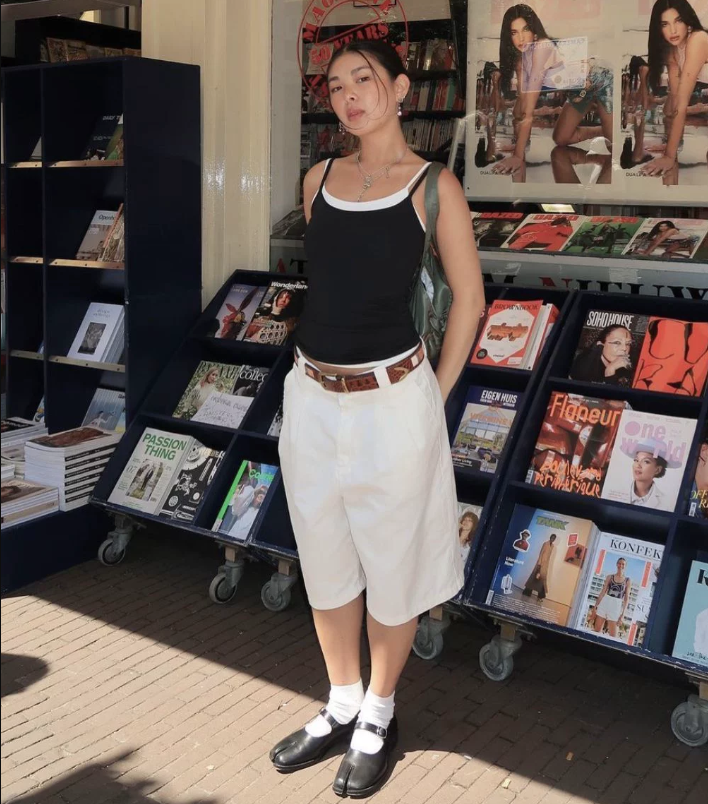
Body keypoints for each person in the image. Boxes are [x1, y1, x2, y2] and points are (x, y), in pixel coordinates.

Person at [269, 39, 484, 798]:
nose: (349, 96)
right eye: (336, 86)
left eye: (364, 79)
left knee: (394, 565)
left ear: (400, 88)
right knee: (324, 555)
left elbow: (469, 299)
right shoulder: (319, 179)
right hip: (311, 395)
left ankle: (379, 713)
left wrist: (434, 394)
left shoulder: (434, 186)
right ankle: (341, 701)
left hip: (392, 398)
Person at [490, 4, 613, 181]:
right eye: (514, 32)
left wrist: (517, 155)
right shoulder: (521, 59)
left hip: (601, 80)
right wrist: (518, 145)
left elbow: (528, 112)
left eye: (525, 29)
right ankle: (603, 130)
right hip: (580, 89)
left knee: (614, 147)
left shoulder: (542, 48)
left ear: (534, 30)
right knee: (561, 138)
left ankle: (610, 131)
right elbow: (522, 104)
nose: (521, 38)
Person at [641, 0, 708, 181]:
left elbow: (682, 103)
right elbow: (676, 100)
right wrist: (671, 146)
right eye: (665, 24)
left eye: (678, 21)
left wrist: (670, 156)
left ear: (688, 21)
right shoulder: (672, 51)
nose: (673, 30)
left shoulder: (698, 39)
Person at [569, 325, 635, 385]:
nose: (624, 348)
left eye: (628, 344)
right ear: (600, 345)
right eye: (617, 342)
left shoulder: (629, 368)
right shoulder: (583, 364)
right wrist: (610, 371)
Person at [592, 558, 632, 639]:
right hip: (605, 603)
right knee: (596, 632)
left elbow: (626, 598)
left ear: (625, 566)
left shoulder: (627, 580)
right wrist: (595, 606)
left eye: (623, 564)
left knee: (613, 636)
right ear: (617, 564)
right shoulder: (610, 577)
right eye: (619, 563)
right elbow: (602, 592)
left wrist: (623, 615)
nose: (621, 565)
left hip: (616, 606)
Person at [522, 533, 556, 600]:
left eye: (554, 538)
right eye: (552, 537)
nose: (553, 539)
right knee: (534, 578)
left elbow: (548, 557)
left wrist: (547, 566)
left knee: (541, 579)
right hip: (540, 563)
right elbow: (541, 553)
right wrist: (539, 564)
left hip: (545, 565)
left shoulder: (552, 546)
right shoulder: (545, 544)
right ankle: (531, 593)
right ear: (550, 537)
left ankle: (538, 595)